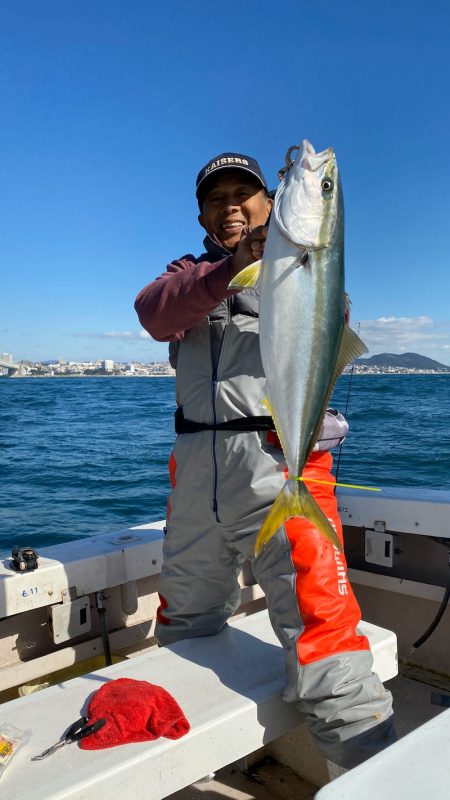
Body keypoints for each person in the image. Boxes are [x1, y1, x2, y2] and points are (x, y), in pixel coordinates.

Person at [134, 151, 396, 769]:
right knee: (184, 626)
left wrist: (273, 259)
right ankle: (206, 764)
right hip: (197, 482)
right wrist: (229, 270)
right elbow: (154, 312)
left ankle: (368, 773)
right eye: (216, 199)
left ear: (273, 202)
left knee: (326, 646)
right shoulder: (191, 273)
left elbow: (333, 317)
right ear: (201, 215)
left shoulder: (300, 265)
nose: (231, 207)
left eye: (244, 194)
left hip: (285, 467)